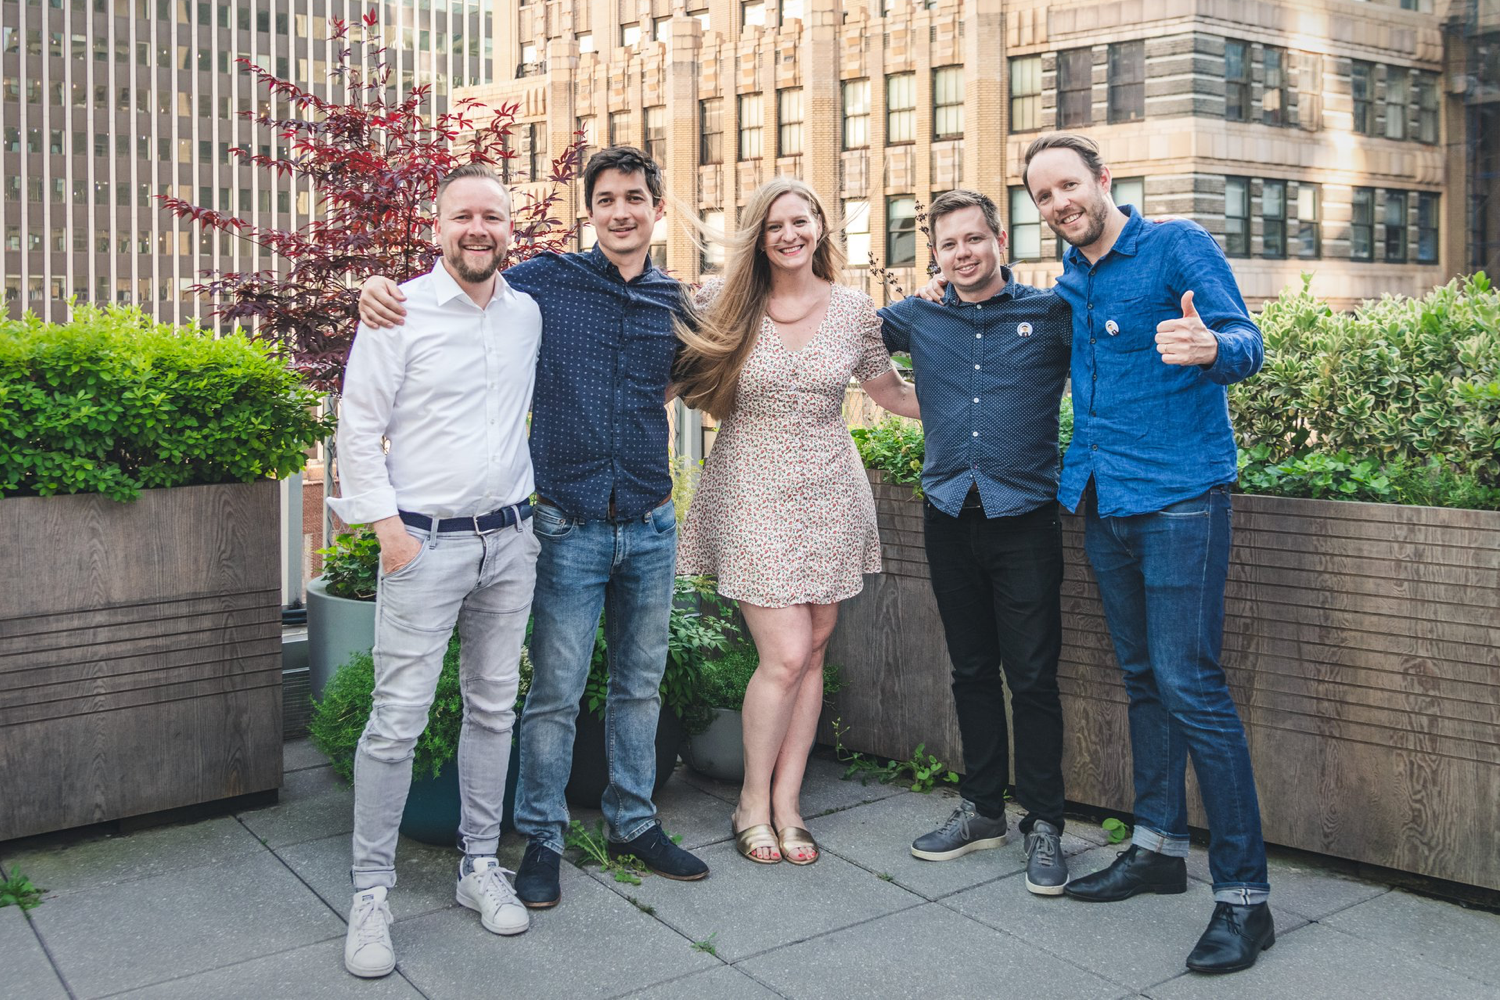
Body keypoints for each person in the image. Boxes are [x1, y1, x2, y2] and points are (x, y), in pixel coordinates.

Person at [357, 147, 709, 912]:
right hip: (566, 523)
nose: (621, 211)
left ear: (656, 209)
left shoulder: (676, 301)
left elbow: (689, 377)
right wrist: (375, 288)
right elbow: (462, 279)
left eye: (635, 199)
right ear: (590, 212)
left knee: (639, 687)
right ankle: (542, 839)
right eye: (607, 199)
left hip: (650, 520)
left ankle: (633, 823)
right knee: (552, 692)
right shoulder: (543, 282)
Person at [1021, 131, 1273, 974]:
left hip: (1181, 498)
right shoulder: (1074, 279)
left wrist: (1213, 350)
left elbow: (1247, 340)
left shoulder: (1175, 244)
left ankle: (1245, 901)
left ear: (1102, 179)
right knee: (1142, 682)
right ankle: (1160, 850)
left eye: (1068, 185)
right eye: (1043, 197)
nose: (1059, 204)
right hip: (1102, 500)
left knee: (1192, 684)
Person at [330, 162, 541, 978]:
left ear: (509, 228)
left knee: (493, 709)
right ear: (437, 228)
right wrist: (389, 533)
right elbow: (357, 426)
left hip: (510, 542)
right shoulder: (398, 309)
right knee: (397, 720)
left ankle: (478, 865)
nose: (478, 228)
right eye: (463, 216)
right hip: (423, 544)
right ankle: (371, 893)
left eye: (492, 215)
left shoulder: (527, 312)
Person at [673, 177, 919, 865]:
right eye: (776, 224)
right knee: (782, 654)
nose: (790, 234)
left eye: (801, 220)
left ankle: (788, 802)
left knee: (813, 649)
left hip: (830, 487)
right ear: (760, 233)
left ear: (820, 227)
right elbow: (679, 384)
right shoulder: (726, 307)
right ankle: (751, 801)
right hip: (751, 485)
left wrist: (980, 410)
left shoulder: (852, 310)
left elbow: (891, 393)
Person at [878, 189, 1073, 895]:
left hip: (1025, 518)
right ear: (935, 253)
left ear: (999, 240)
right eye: (948, 244)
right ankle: (983, 809)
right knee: (969, 670)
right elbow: (844, 334)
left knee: (1032, 676)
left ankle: (1045, 823)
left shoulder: (1050, 314)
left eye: (972, 240)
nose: (961, 254)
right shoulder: (918, 315)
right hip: (949, 514)